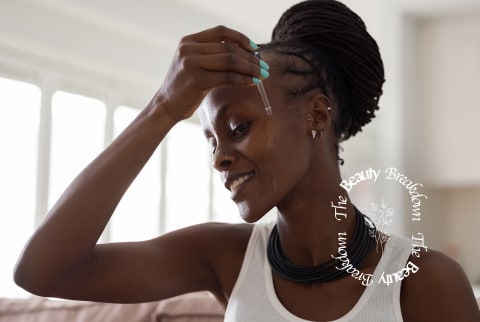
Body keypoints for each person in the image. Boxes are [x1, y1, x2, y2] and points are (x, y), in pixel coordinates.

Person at [14, 0, 480, 321]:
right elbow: (43, 271)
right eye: (210, 141)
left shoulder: (424, 283)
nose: (220, 159)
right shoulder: (226, 259)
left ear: (316, 114)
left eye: (238, 128)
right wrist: (162, 108)